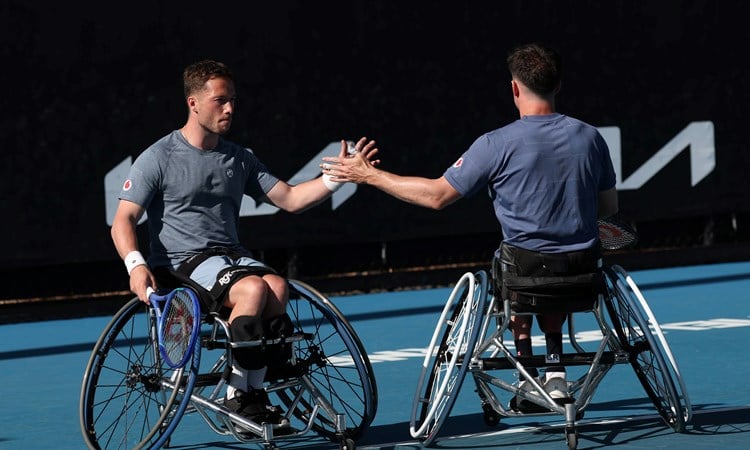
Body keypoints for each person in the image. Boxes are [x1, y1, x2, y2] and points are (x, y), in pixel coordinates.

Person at [321, 43, 618, 412]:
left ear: (514, 88)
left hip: (522, 271)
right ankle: (554, 374)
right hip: (582, 271)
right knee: (546, 265)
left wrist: (369, 175)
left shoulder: (495, 144)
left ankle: (527, 370)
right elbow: (608, 208)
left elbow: (435, 197)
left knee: (519, 271)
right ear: (558, 85)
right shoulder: (591, 137)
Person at [110, 59, 378, 427]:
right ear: (193, 103)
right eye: (220, 100)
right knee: (253, 289)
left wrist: (337, 179)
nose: (230, 108)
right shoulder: (157, 158)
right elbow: (123, 219)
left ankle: (252, 391)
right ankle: (241, 397)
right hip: (178, 266)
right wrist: (135, 265)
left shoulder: (240, 158)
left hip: (229, 260)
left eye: (233, 99)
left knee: (277, 286)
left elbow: (292, 198)